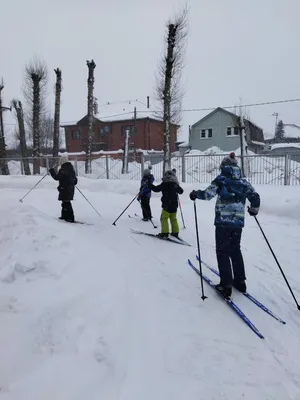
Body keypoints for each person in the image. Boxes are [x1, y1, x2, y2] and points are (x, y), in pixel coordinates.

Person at [189, 152, 260, 298]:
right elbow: (255, 197)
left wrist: (196, 194)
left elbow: (208, 194)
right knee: (235, 249)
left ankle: (226, 284)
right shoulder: (243, 182)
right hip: (238, 222)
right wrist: (254, 209)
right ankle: (240, 282)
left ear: (223, 167)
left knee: (222, 251)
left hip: (223, 222)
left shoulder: (221, 180)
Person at [149, 169, 184, 238]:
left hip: (167, 205)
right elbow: (181, 191)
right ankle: (175, 232)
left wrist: (148, 185)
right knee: (173, 218)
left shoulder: (165, 183)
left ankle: (165, 233)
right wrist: (176, 187)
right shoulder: (175, 183)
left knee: (163, 218)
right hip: (174, 204)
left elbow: (156, 189)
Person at [49, 155, 78, 223]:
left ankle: (70, 217)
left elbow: (57, 177)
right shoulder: (71, 169)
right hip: (70, 189)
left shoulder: (63, 170)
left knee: (66, 203)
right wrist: (72, 182)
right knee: (65, 202)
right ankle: (65, 216)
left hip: (64, 189)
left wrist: (52, 171)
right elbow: (75, 180)